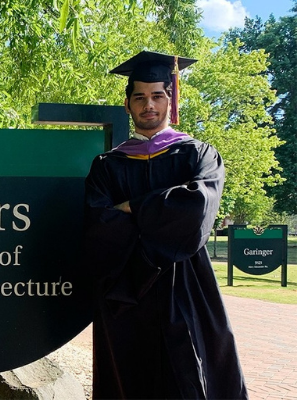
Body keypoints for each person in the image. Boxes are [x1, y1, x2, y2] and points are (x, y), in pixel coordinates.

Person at [84, 51, 248, 399]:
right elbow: (99, 223)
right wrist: (162, 215)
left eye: (157, 96)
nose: (149, 105)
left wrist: (132, 207)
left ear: (169, 100)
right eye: (139, 97)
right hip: (125, 291)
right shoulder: (108, 165)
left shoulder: (197, 155)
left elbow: (196, 209)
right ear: (127, 104)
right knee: (130, 380)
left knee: (189, 376)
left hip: (186, 286)